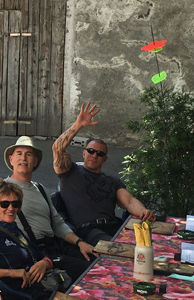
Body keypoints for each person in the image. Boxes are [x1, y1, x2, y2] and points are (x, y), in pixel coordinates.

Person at [0, 135, 96, 283]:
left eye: (29, 154)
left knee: (95, 266)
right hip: (31, 252)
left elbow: (57, 222)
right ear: (11, 159)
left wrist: (80, 242)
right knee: (86, 275)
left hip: (54, 247)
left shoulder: (40, 188)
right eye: (19, 154)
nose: (23, 158)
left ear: (35, 161)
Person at [51, 102, 155, 244]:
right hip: (88, 230)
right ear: (84, 153)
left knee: (150, 242)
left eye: (99, 154)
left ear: (104, 159)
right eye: (91, 151)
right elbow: (57, 148)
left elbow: (129, 201)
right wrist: (78, 124)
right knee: (118, 249)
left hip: (113, 226)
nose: (94, 155)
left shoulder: (112, 180)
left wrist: (143, 211)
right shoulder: (70, 171)